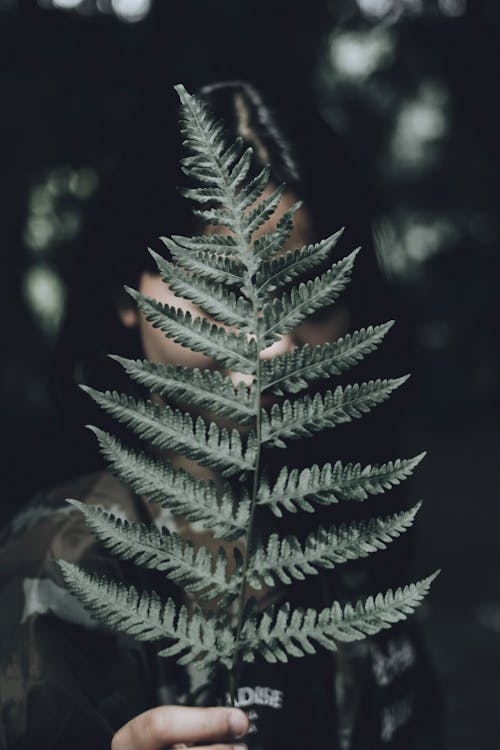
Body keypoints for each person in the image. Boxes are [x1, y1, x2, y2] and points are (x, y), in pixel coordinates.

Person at [0, 81, 442, 750]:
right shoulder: (64, 571)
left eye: (310, 299)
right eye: (220, 294)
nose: (270, 348)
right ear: (129, 289)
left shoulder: (353, 536)